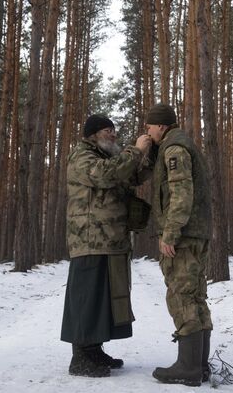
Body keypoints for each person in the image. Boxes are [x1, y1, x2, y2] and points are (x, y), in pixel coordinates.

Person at [60, 114, 153, 378]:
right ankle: (80, 357)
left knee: (105, 299)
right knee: (89, 298)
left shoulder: (105, 156)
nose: (112, 134)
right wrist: (136, 149)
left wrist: (149, 154)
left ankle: (94, 350)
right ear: (92, 134)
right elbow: (107, 174)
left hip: (110, 239)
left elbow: (130, 175)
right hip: (90, 239)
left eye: (113, 130)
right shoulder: (83, 156)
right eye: (106, 130)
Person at [146, 103, 213, 387]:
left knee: (182, 296)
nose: (147, 132)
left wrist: (170, 233)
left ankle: (188, 368)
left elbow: (181, 194)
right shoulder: (176, 145)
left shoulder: (174, 149)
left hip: (183, 237)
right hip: (195, 233)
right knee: (195, 297)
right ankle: (198, 365)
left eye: (149, 127)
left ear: (161, 126)